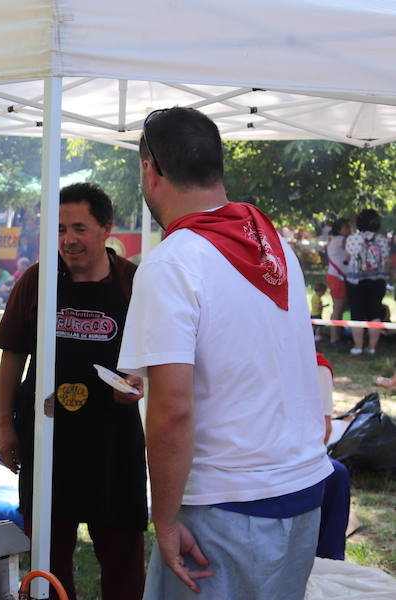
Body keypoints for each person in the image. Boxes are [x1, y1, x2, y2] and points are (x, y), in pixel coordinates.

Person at [118, 107, 332, 599]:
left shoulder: (172, 262)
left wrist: (165, 520)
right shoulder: (275, 244)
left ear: (151, 171)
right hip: (299, 487)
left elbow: (172, 410)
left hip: (226, 501)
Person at [0, 182, 146, 600]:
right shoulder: (38, 280)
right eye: (60, 229)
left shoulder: (134, 283)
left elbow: (158, 359)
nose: (68, 240)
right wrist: (6, 427)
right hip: (47, 437)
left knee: (123, 554)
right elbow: (12, 359)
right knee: (47, 554)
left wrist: (137, 382)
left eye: (79, 228)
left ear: (106, 229)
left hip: (112, 441)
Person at [315, 353, 351, 561]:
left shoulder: (316, 364)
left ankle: (328, 561)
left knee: (335, 473)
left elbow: (322, 431)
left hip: (289, 454)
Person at [344, 208, 389, 355]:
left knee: (356, 314)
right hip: (377, 280)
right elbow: (387, 261)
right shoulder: (381, 239)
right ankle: (372, 348)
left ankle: (357, 347)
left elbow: (348, 259)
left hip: (355, 281)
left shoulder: (352, 239)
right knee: (374, 313)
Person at [326, 218, 351, 344]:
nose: (349, 229)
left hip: (335, 277)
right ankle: (334, 338)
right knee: (339, 308)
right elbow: (351, 242)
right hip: (338, 278)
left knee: (338, 308)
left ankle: (336, 336)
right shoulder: (340, 239)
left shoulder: (335, 239)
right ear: (339, 230)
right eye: (346, 227)